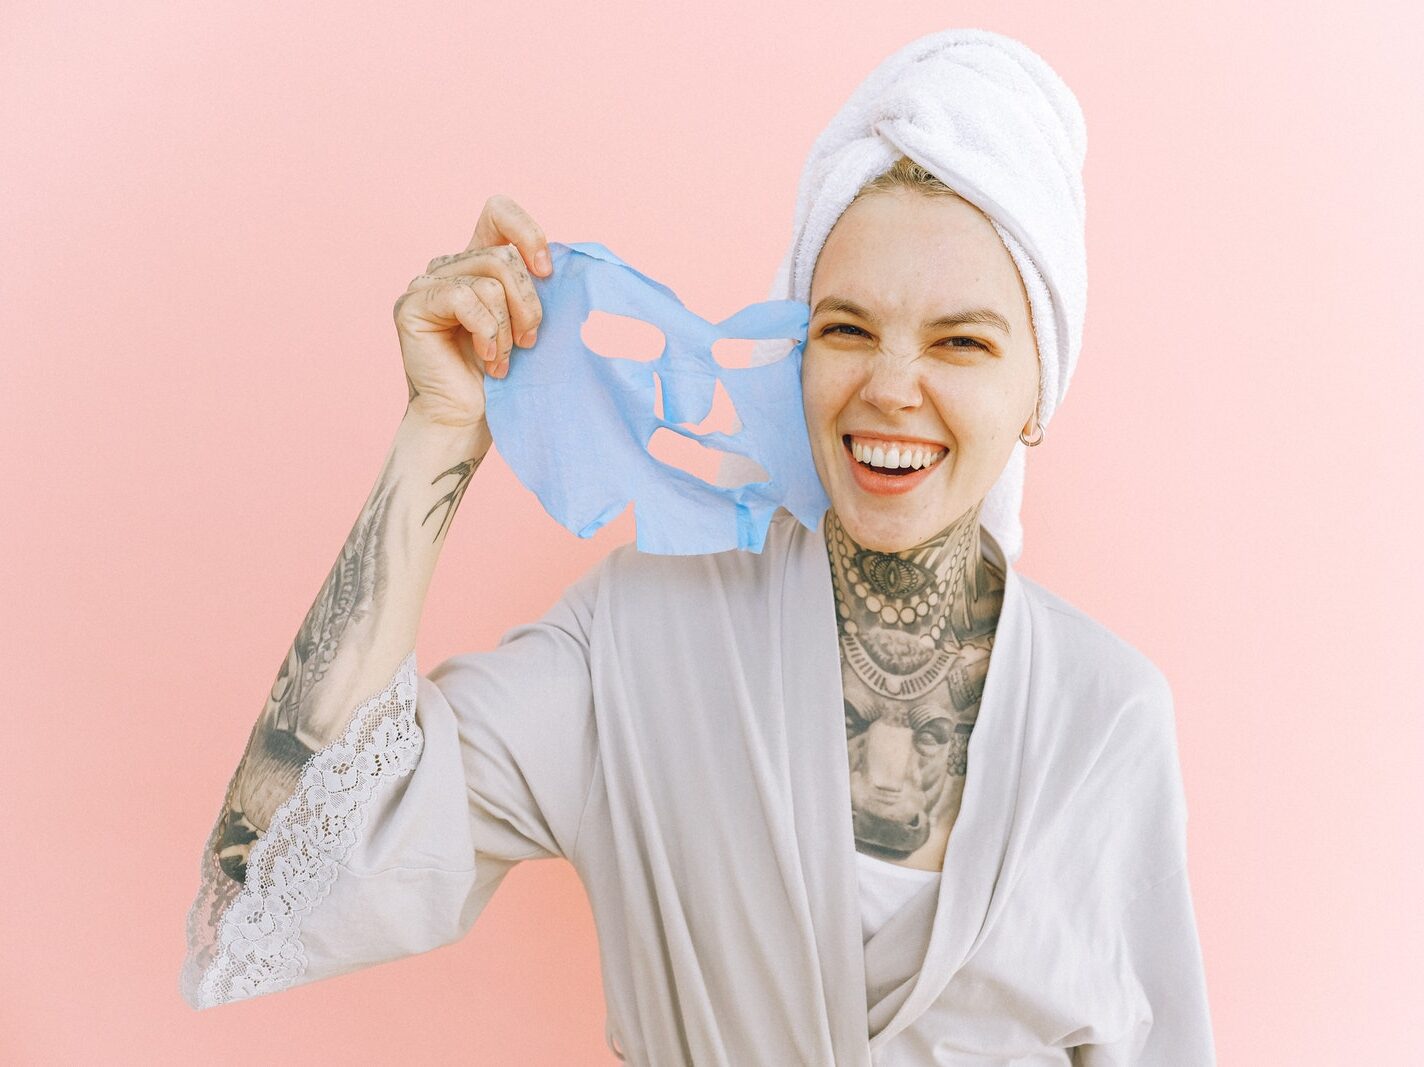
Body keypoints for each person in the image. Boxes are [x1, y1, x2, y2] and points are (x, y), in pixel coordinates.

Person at [181, 30, 1215, 1067]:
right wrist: (438, 433)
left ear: (1039, 386)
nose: (891, 386)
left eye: (961, 341)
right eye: (845, 328)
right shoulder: (634, 638)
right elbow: (284, 868)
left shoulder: (1109, 717)